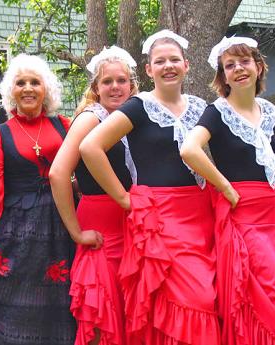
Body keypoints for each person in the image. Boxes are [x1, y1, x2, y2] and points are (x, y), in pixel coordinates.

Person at [80, 30, 221, 345]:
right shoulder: (139, 106)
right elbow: (91, 147)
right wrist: (123, 198)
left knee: (207, 296)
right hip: (159, 218)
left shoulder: (202, 107)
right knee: (188, 296)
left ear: (186, 65)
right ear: (148, 70)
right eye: (160, 61)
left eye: (174, 60)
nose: (168, 66)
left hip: (201, 215)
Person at [180, 36, 275, 345]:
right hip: (241, 218)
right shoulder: (217, 112)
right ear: (223, 76)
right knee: (272, 302)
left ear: (259, 67)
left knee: (271, 299)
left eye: (244, 62)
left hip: (272, 216)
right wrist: (226, 188)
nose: (238, 69)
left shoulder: (269, 111)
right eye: (229, 65)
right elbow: (190, 150)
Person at [0, 54, 76, 345]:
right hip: (16, 233)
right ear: (10, 91)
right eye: (21, 82)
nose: (28, 88)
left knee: (60, 309)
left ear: (46, 90)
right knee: (10, 310)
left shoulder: (66, 125)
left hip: (62, 228)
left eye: (35, 82)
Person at [49, 46, 138, 345]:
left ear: (132, 85)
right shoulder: (91, 118)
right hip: (101, 230)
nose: (115, 87)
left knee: (128, 313)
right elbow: (58, 173)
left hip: (132, 227)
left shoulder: (132, 117)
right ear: (96, 88)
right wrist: (76, 232)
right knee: (102, 315)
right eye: (107, 82)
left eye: (121, 80)